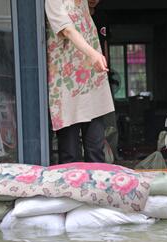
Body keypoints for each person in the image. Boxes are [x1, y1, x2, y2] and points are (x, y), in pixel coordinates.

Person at [45, 0, 115, 164]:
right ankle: (72, 190)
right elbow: (67, 30)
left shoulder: (83, 2)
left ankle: (96, 189)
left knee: (96, 149)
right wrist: (93, 54)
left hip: (91, 80)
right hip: (66, 83)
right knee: (70, 153)